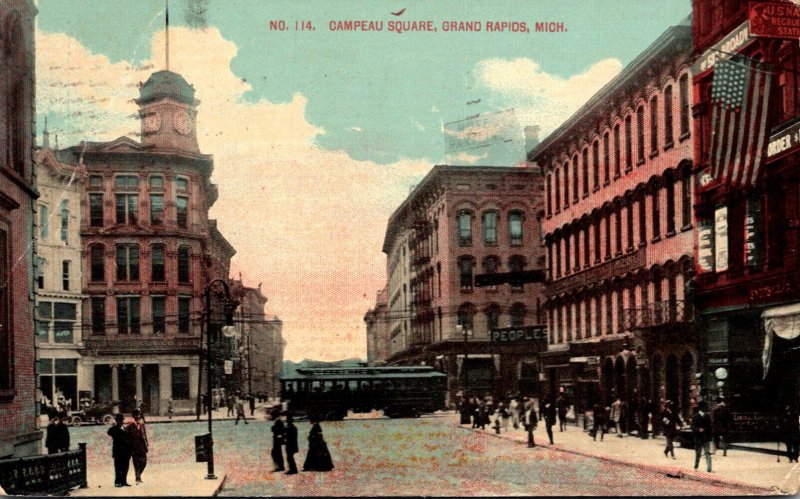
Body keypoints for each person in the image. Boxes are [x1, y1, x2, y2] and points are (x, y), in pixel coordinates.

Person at [108, 413, 132, 487]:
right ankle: (117, 482)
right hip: (118, 451)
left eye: (121, 420)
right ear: (116, 421)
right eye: (118, 420)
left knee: (125, 467)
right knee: (118, 467)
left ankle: (124, 481)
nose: (120, 421)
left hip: (126, 452)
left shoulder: (124, 428)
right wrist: (115, 426)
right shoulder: (114, 429)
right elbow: (109, 432)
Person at [127, 409, 149, 484]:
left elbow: (144, 435)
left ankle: (138, 475)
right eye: (136, 415)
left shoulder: (142, 424)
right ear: (133, 416)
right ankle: (138, 477)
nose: (137, 416)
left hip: (142, 447)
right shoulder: (129, 426)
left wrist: (147, 444)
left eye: (138, 415)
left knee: (144, 461)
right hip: (134, 448)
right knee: (136, 463)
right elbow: (128, 439)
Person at [691, 401, 713, 473]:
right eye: (704, 407)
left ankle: (709, 468)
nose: (706, 408)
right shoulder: (695, 417)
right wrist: (698, 429)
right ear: (701, 408)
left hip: (705, 438)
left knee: (707, 452)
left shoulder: (707, 416)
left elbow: (710, 427)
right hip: (698, 438)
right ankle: (696, 466)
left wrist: (710, 437)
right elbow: (692, 427)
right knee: (698, 453)